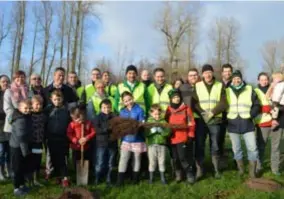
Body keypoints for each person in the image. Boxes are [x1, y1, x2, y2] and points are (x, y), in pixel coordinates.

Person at [192, 64, 228, 179]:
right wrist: (203, 113)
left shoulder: (220, 85)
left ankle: (216, 170)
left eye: (209, 72)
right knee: (200, 145)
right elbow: (194, 103)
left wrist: (212, 113)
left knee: (216, 145)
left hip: (215, 120)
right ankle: (200, 170)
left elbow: (224, 103)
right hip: (201, 121)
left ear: (213, 73)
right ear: (202, 74)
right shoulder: (197, 86)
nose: (207, 74)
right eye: (205, 72)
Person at [226, 70, 260, 178]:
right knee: (236, 149)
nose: (236, 80)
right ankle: (241, 170)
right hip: (232, 123)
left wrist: (251, 114)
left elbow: (256, 104)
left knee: (252, 148)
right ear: (232, 79)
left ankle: (252, 172)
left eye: (238, 78)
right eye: (234, 78)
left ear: (241, 79)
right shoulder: (226, 90)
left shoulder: (250, 89)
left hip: (247, 122)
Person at [165, 89, 196, 184]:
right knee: (175, 158)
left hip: (182, 138)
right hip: (172, 138)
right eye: (174, 97)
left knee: (183, 157)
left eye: (178, 97)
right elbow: (165, 123)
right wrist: (166, 134)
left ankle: (189, 174)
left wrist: (190, 135)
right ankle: (178, 174)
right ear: (171, 99)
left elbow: (191, 123)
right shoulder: (168, 110)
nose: (176, 99)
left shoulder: (186, 109)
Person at [3, 71, 29, 179]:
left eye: (22, 77)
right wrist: (18, 117)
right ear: (14, 79)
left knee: (23, 151)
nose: (20, 79)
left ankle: (23, 173)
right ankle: (13, 172)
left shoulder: (28, 91)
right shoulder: (9, 91)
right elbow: (7, 108)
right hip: (13, 125)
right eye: (17, 78)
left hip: (26, 125)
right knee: (14, 152)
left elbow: (30, 104)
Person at [117, 91, 146, 185]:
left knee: (137, 158)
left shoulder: (140, 110)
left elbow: (142, 122)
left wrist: (137, 126)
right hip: (126, 139)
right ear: (123, 102)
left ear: (133, 98)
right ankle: (120, 180)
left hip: (137, 139)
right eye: (126, 101)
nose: (128, 102)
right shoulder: (122, 111)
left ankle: (135, 179)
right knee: (123, 158)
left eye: (129, 99)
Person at [255, 72, 280, 175]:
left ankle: (275, 169)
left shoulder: (275, 89)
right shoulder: (255, 91)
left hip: (276, 122)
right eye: (262, 79)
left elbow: (279, 103)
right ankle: (259, 167)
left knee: (276, 146)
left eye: (266, 79)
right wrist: (267, 108)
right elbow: (255, 106)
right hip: (262, 123)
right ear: (258, 81)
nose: (264, 81)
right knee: (261, 146)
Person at [45, 90, 70, 187]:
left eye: (59, 99)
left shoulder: (66, 110)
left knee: (62, 159)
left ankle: (65, 177)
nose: (57, 101)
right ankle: (57, 176)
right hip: (51, 138)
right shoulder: (48, 110)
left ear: (62, 99)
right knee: (53, 158)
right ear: (51, 99)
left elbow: (69, 123)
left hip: (63, 138)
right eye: (55, 99)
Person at [9, 100, 32, 196]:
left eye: (29, 108)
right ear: (19, 108)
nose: (27, 110)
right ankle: (16, 188)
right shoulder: (20, 119)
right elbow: (21, 136)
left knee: (22, 167)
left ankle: (22, 185)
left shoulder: (25, 117)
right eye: (25, 108)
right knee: (17, 168)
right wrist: (25, 151)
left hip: (22, 145)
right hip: (17, 147)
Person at [93, 99, 117, 185]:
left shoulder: (114, 117)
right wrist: (106, 129)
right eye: (104, 108)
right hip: (101, 144)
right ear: (100, 108)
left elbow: (117, 128)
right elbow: (96, 129)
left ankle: (108, 179)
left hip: (112, 143)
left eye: (108, 107)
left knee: (110, 163)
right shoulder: (97, 117)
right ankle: (97, 177)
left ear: (111, 108)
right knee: (100, 162)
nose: (107, 109)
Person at [145, 104, 170, 184]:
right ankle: (151, 178)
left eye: (159, 114)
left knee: (162, 161)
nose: (157, 116)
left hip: (161, 145)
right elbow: (145, 133)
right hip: (152, 145)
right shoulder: (148, 122)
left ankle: (163, 178)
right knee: (152, 162)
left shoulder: (163, 122)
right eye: (155, 114)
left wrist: (162, 132)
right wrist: (151, 131)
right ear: (151, 113)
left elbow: (168, 132)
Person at [67, 106, 95, 176]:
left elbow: (93, 132)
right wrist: (76, 140)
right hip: (76, 147)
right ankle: (78, 174)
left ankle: (87, 173)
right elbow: (69, 134)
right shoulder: (72, 124)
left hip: (87, 147)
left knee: (87, 160)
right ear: (73, 118)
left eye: (81, 119)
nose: (79, 121)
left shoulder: (88, 123)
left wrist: (86, 138)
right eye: (77, 120)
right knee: (76, 161)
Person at [29, 95, 47, 187]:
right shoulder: (29, 115)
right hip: (31, 142)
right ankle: (30, 180)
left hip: (39, 142)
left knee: (37, 160)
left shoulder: (43, 115)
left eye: (40, 104)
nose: (38, 106)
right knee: (30, 161)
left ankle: (36, 179)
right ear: (32, 104)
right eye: (36, 104)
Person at [269, 72, 284, 176]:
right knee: (276, 145)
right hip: (279, 116)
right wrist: (274, 118)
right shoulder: (280, 84)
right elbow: (274, 102)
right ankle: (275, 169)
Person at [220, 64, 233, 167]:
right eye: (225, 71)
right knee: (220, 138)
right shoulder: (218, 84)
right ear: (222, 73)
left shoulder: (236, 82)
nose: (227, 73)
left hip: (232, 115)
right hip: (221, 115)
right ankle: (221, 160)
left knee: (234, 139)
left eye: (229, 71)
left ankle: (236, 161)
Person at [0, 75, 10, 181]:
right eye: (3, 81)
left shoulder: (12, 93)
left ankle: (9, 170)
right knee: (1, 151)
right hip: (0, 126)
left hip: (10, 125)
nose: (5, 83)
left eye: (7, 81)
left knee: (9, 150)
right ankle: (1, 171)